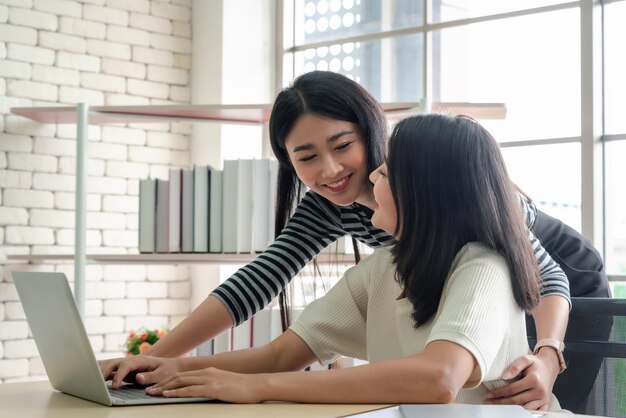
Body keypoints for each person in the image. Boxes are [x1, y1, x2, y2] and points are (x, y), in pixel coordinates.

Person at [101, 71, 602, 409]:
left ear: (371, 133)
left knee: (530, 395)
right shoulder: (368, 238)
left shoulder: (461, 203)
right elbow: (262, 283)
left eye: (342, 146)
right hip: (454, 298)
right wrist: (157, 361)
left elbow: (547, 277)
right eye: (307, 157)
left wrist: (549, 355)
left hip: (560, 288)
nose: (331, 170)